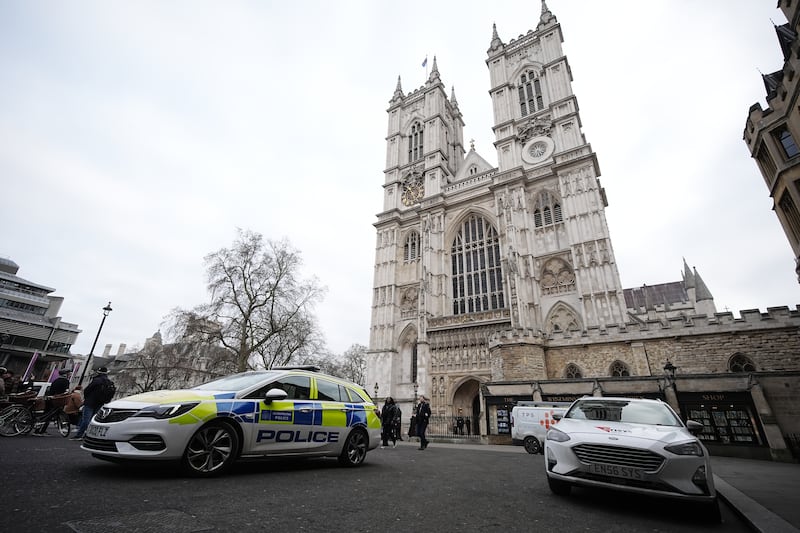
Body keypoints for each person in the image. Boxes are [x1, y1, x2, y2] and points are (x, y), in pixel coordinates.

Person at [71, 367, 113, 440]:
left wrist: (87, 398)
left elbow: (87, 390)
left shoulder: (96, 380)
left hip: (90, 402)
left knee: (86, 420)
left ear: (98, 372)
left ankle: (79, 435)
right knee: (93, 420)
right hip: (100, 403)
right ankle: (89, 435)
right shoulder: (109, 382)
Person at [33, 368, 72, 435]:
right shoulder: (66, 381)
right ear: (66, 374)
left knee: (46, 414)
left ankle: (38, 429)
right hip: (57, 400)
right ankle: (41, 431)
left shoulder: (55, 380)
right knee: (49, 416)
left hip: (50, 398)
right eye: (68, 373)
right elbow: (66, 392)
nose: (69, 374)